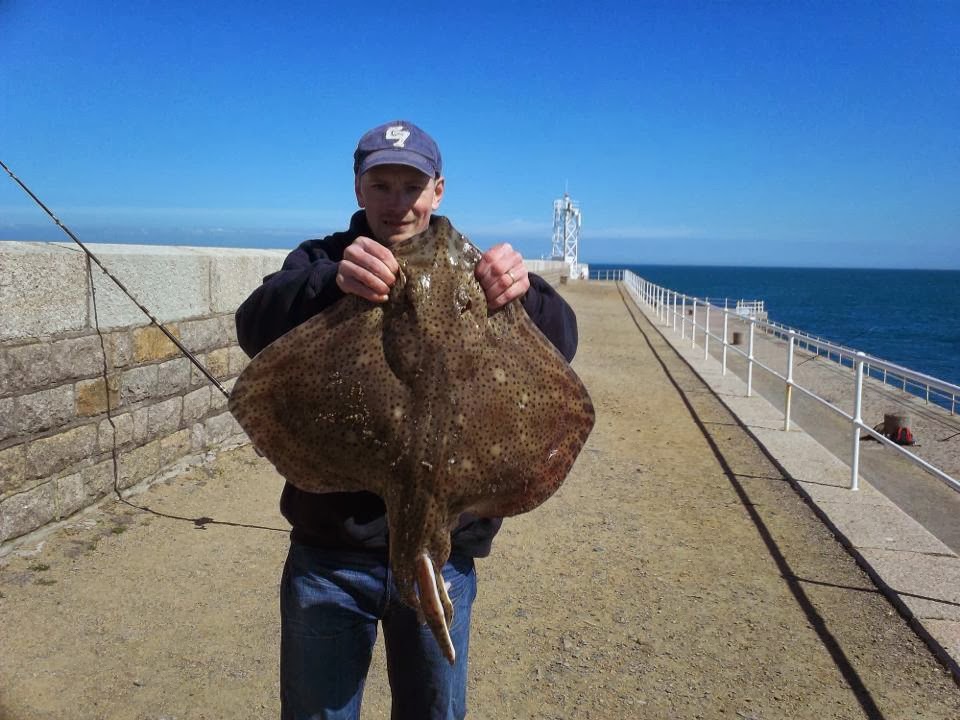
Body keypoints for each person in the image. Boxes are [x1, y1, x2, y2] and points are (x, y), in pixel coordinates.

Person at [235, 120, 579, 720]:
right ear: (359, 189)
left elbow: (562, 346)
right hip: (332, 553)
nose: (398, 202)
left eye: (411, 186)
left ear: (437, 190)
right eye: (382, 185)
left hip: (444, 557)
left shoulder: (477, 268)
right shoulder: (321, 260)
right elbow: (253, 325)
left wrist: (526, 292)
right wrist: (328, 282)